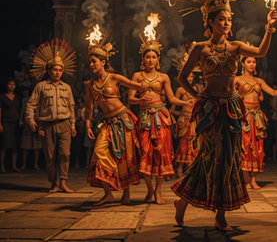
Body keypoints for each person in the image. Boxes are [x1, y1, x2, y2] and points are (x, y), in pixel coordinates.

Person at [169, 0, 277, 230]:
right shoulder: (200, 48)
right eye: (222, 19)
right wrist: (196, 97)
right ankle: (184, 200)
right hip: (209, 109)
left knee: (228, 159)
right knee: (209, 157)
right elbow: (181, 77)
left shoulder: (236, 47)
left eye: (229, 19)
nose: (227, 23)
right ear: (211, 21)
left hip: (231, 108)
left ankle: (219, 215)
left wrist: (268, 29)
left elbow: (262, 52)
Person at [128, 23, 193, 205]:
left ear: (158, 59)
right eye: (147, 57)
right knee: (145, 153)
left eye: (153, 57)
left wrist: (184, 102)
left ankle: (158, 192)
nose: (150, 60)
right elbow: (130, 98)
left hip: (161, 117)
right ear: (143, 58)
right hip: (145, 119)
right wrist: (140, 101)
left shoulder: (163, 77)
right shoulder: (136, 76)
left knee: (161, 153)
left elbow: (171, 98)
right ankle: (149, 190)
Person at [84, 27, 142, 206]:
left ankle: (126, 192)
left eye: (94, 62)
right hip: (107, 123)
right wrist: (87, 125)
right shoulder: (89, 84)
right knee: (98, 152)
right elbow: (89, 108)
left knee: (124, 157)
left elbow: (136, 85)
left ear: (103, 62)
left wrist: (147, 87)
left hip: (124, 120)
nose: (92, 65)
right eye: (90, 62)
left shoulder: (115, 78)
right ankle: (108, 193)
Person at [234, 45, 277, 189]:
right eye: (249, 61)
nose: (252, 64)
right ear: (242, 64)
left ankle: (254, 179)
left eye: (254, 62)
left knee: (257, 146)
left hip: (257, 117)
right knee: (245, 146)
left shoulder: (259, 81)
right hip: (244, 117)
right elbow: (229, 95)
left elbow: (272, 93)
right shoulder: (237, 79)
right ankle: (245, 180)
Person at [25, 39, 77, 192]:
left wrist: (73, 125)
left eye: (60, 70)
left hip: (64, 124)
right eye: (54, 70)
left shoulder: (66, 87)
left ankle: (63, 182)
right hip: (46, 125)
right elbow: (30, 105)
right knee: (49, 157)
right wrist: (30, 119)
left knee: (65, 154)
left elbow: (71, 107)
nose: (57, 73)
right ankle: (53, 183)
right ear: (48, 70)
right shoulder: (41, 86)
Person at [170, 47, 203, 178]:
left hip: (195, 121)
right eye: (187, 76)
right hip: (184, 121)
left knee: (194, 144)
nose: (189, 78)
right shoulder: (180, 90)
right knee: (183, 145)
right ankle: (179, 169)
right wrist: (179, 116)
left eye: (191, 76)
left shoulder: (197, 89)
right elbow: (172, 109)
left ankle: (191, 170)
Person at [0, 78, 21, 172]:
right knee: (4, 145)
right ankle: (2, 166)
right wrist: (0, 124)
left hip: (15, 124)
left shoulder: (17, 97)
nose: (11, 86)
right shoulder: (2, 97)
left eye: (13, 84)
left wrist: (20, 120)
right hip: (6, 123)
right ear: (6, 85)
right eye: (10, 84)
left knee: (14, 146)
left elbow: (20, 110)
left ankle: (14, 165)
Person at [19, 88, 41, 170]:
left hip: (38, 122)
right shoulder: (26, 99)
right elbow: (23, 110)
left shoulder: (41, 98)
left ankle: (36, 164)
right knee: (26, 145)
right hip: (27, 123)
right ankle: (24, 164)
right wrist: (21, 120)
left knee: (37, 145)